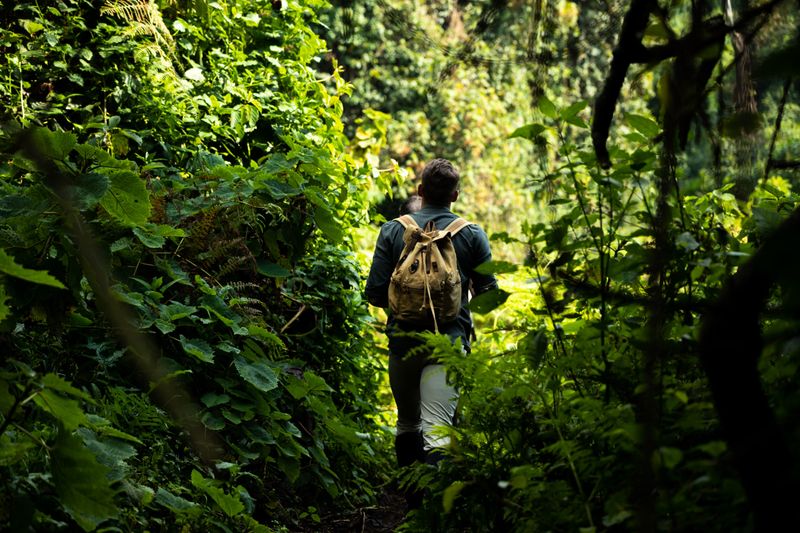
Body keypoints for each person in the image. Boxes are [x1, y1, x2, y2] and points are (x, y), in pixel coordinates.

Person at [365, 158, 498, 487]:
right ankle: (435, 505)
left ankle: (411, 503)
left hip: (403, 344)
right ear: (455, 195)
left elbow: (375, 294)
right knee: (438, 429)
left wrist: (406, 305)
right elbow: (489, 296)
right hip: (449, 345)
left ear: (420, 190)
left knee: (408, 424)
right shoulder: (472, 234)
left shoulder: (393, 230)